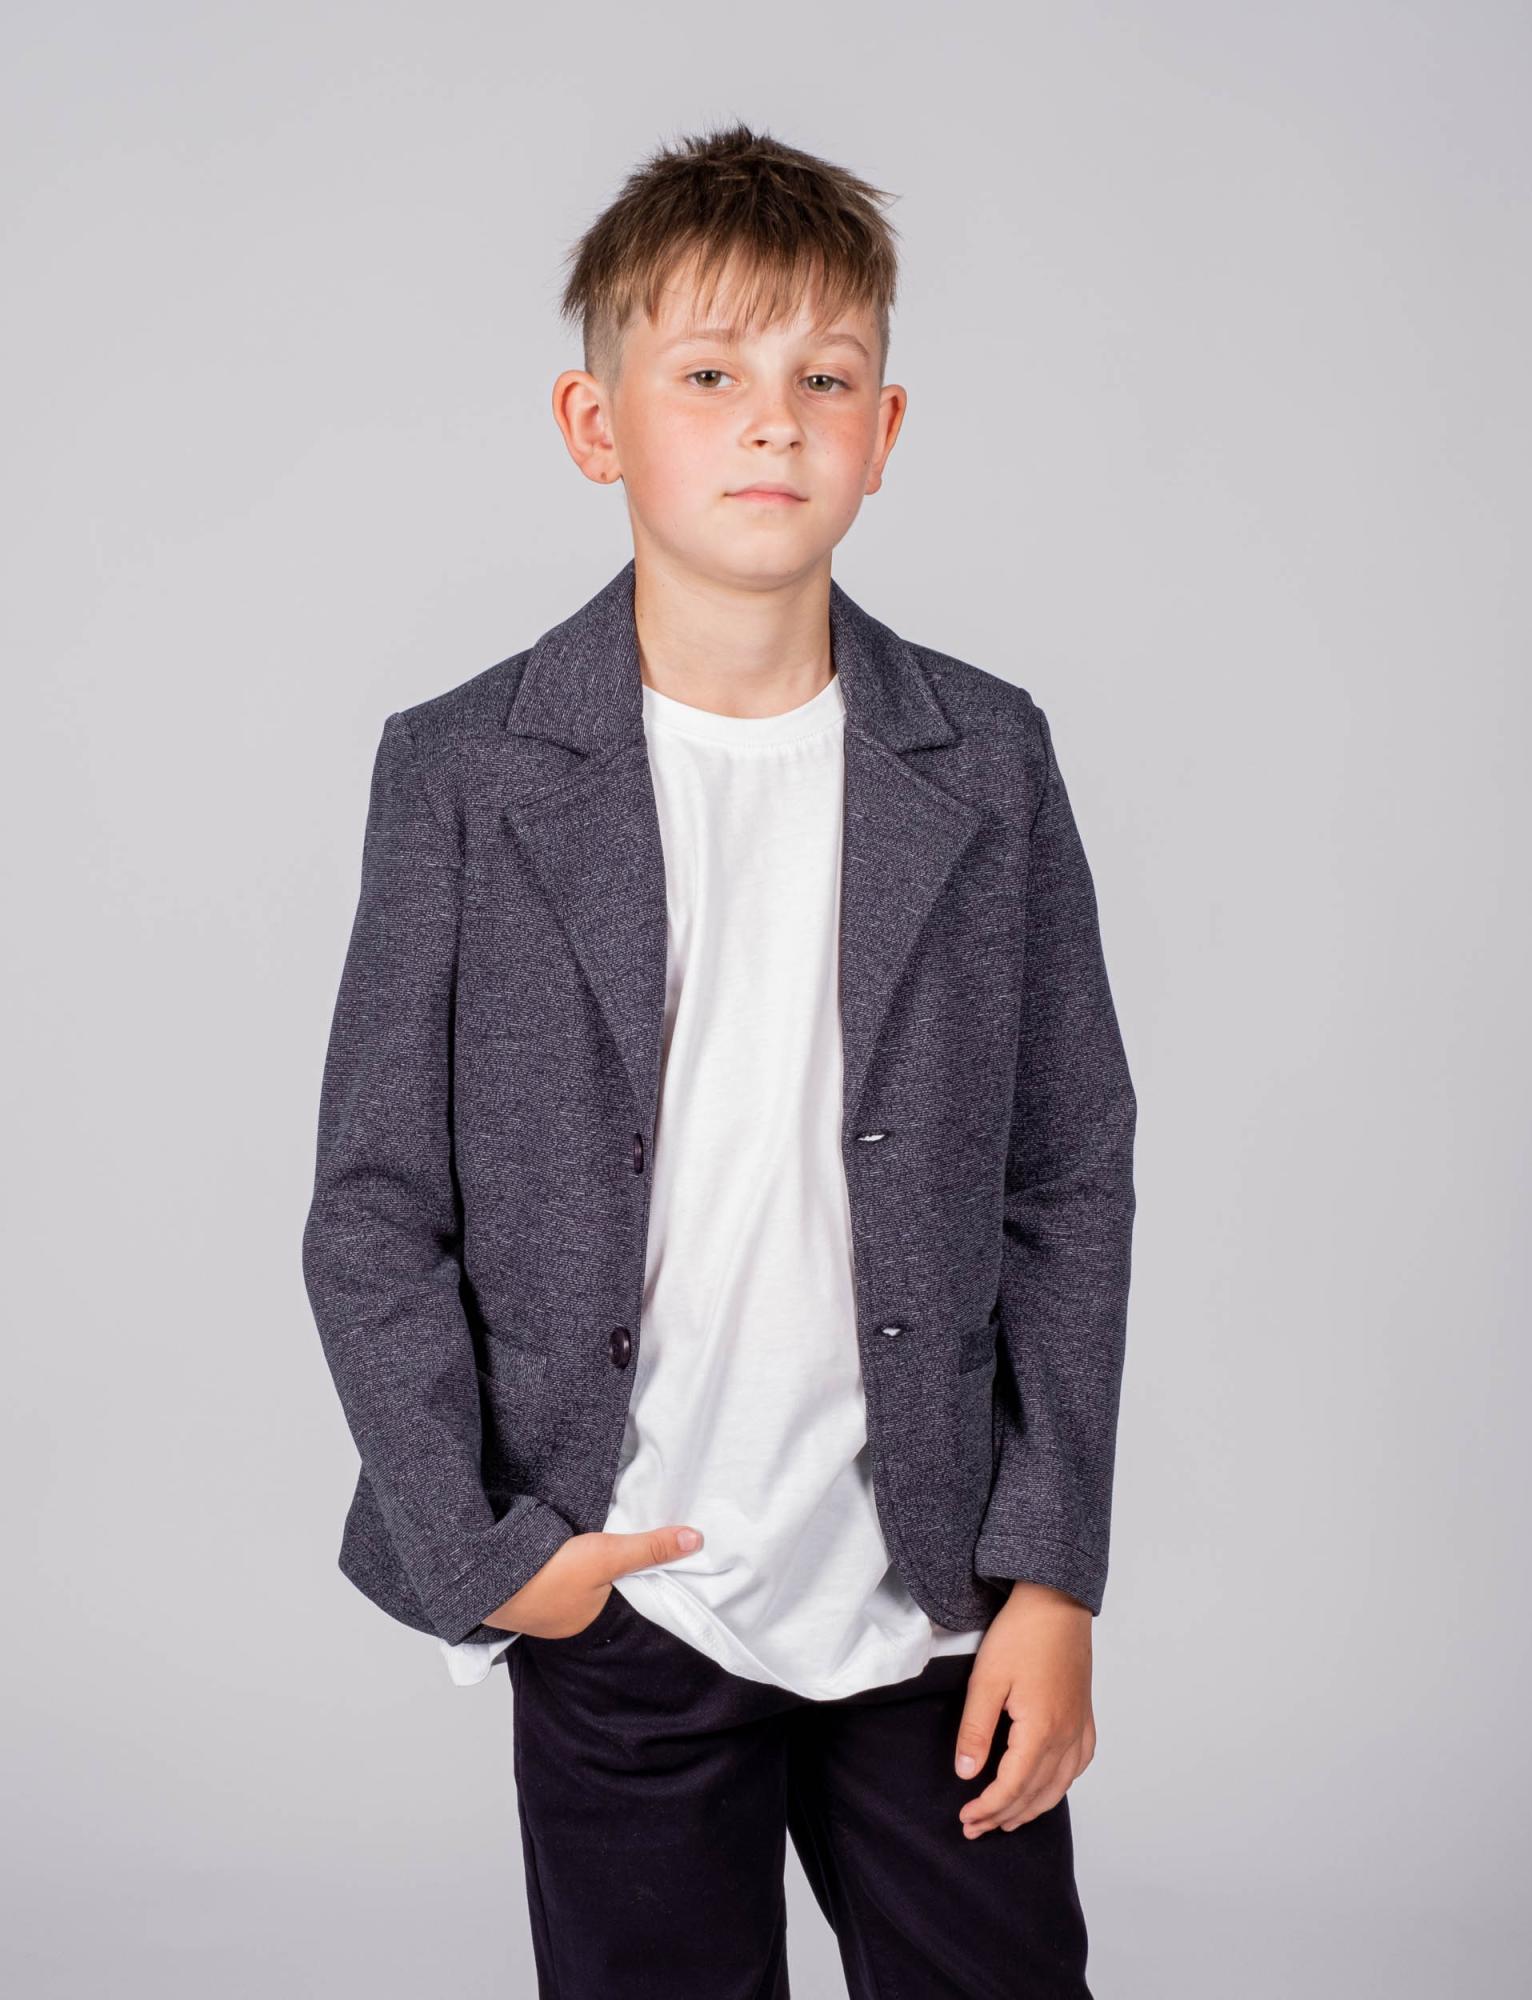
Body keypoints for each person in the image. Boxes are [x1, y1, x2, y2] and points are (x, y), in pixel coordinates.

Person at [302, 119, 1137, 1999]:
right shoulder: (462, 772)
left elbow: (1072, 1171)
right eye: (709, 376)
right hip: (625, 1592)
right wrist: (489, 1555)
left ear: (885, 430)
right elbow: (369, 1207)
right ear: (594, 423)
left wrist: (1055, 1573)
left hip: (934, 1601)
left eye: (823, 380)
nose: (774, 423)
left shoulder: (989, 759)